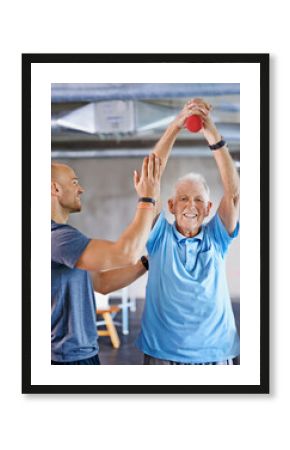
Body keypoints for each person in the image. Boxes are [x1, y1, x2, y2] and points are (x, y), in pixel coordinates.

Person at [135, 98, 240, 365]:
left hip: (216, 354)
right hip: (163, 354)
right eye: (183, 199)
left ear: (208, 208)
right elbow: (151, 179)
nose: (190, 206)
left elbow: (235, 194)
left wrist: (212, 133)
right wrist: (176, 125)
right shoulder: (159, 237)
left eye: (197, 200)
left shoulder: (217, 238)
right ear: (171, 205)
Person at [51, 154, 161, 365]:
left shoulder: (61, 238)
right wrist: (147, 199)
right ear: (55, 189)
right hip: (66, 359)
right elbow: (126, 253)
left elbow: (102, 283)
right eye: (75, 183)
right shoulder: (56, 238)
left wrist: (148, 262)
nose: (80, 189)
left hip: (83, 352)